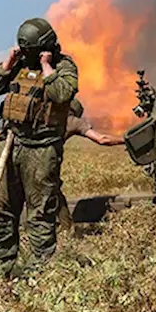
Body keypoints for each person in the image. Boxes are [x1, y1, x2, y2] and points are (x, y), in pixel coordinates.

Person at [0, 17, 79, 279]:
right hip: (10, 143)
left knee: (40, 211)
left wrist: (47, 66)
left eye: (32, 51)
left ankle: (40, 271)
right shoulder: (18, 65)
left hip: (42, 148)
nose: (29, 55)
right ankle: (1, 265)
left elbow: (62, 93)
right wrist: (8, 63)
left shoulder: (64, 66)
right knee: (2, 207)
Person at [55, 98, 124, 231]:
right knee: (52, 192)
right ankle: (65, 230)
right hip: (47, 163)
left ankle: (64, 228)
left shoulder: (48, 117)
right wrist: (124, 140)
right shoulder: (73, 121)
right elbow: (102, 139)